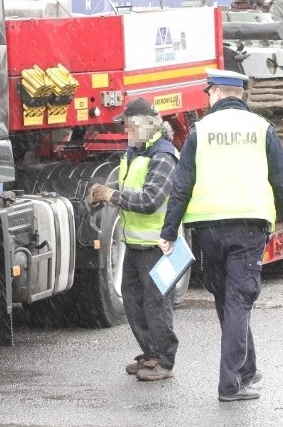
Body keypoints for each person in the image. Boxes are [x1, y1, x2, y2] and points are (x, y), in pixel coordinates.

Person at [159, 69, 283, 402]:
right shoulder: (261, 129)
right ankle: (231, 383)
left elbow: (181, 185)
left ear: (219, 94)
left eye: (208, 93)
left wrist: (169, 231)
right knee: (238, 301)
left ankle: (247, 368)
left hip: (209, 229)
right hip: (248, 229)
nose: (207, 99)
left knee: (227, 299)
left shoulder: (200, 131)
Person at [87, 97, 180, 382]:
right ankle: (151, 353)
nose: (127, 131)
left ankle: (164, 360)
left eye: (130, 126)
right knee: (133, 301)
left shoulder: (163, 156)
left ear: (147, 125)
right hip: (137, 244)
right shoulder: (137, 152)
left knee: (156, 304)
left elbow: (150, 200)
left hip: (158, 246)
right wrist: (107, 191)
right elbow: (132, 187)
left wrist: (112, 195)